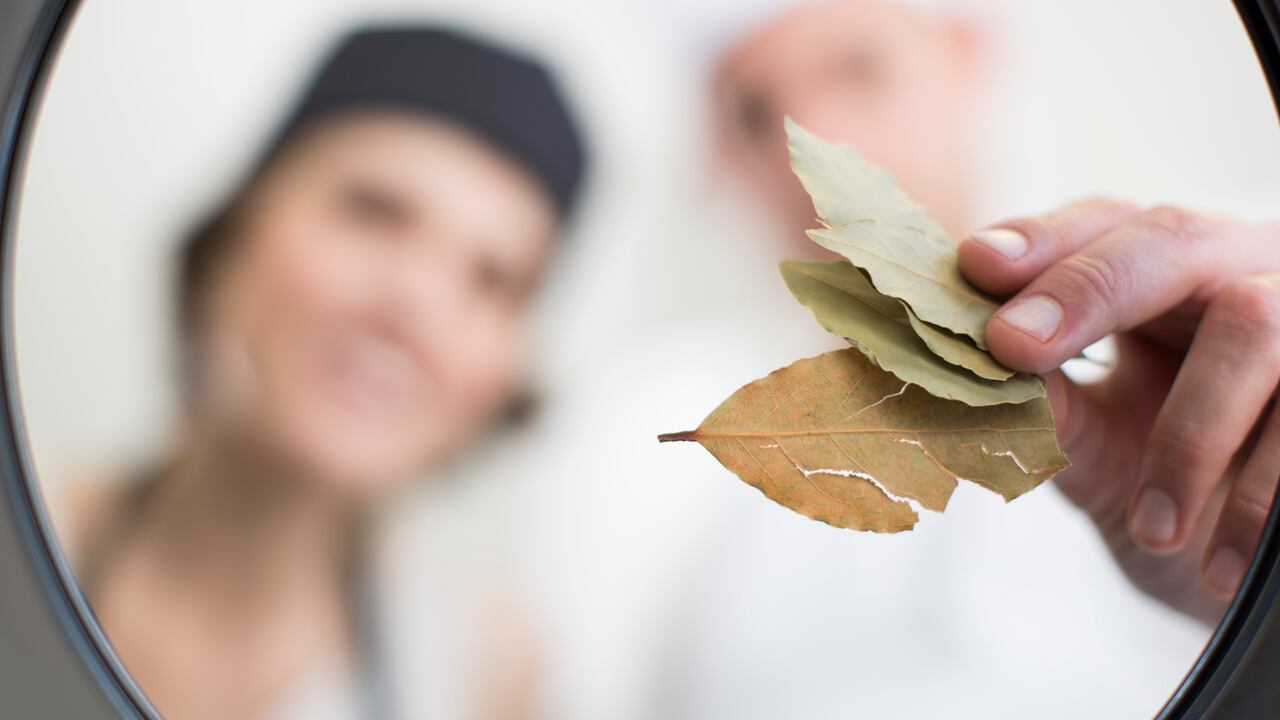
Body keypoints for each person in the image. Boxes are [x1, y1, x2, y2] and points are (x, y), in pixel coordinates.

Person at [60, 26, 586, 720]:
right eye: (374, 212)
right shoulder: (28, 531)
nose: (415, 307)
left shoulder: (482, 669)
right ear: (235, 236)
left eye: (492, 280)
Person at [712, 0, 1279, 625]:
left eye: (857, 68)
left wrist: (1259, 604)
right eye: (754, 112)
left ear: (963, 53)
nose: (809, 136)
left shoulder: (1235, 285)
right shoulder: (656, 442)